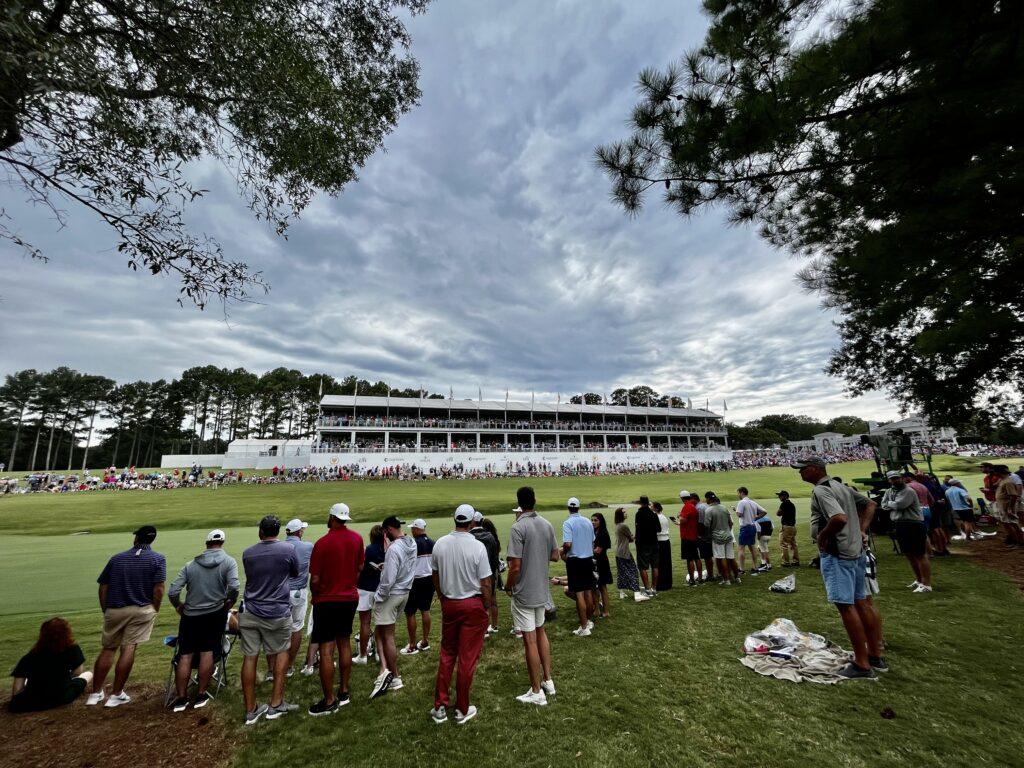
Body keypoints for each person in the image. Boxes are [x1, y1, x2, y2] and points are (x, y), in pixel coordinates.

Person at [793, 456, 885, 678]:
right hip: (855, 551)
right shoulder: (839, 486)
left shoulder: (822, 490)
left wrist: (823, 536)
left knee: (845, 606)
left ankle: (862, 664)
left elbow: (839, 518)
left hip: (838, 553)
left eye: (803, 469)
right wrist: (862, 530)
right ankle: (875, 655)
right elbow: (870, 504)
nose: (800, 473)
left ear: (815, 469)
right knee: (862, 601)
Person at [87, 525, 166, 707]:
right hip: (141, 609)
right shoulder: (158, 559)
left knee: (108, 648)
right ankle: (116, 695)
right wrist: (156, 608)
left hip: (114, 609)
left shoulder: (117, 558)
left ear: (136, 538)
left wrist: (105, 609)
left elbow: (103, 586)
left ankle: (95, 694)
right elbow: (159, 588)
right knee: (129, 647)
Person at [429, 504, 493, 725]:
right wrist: (486, 605)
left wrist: (442, 596)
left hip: (450, 603)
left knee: (448, 653)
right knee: (467, 658)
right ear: (472, 522)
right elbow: (485, 582)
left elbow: (435, 576)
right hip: (472, 603)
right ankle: (462, 708)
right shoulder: (477, 547)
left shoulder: (440, 544)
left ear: (454, 519)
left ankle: (440, 705)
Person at [167, 529, 239, 712]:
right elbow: (234, 587)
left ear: (206, 544)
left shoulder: (191, 564)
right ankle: (200, 694)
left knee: (185, 655)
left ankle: (182, 698)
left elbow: (173, 591)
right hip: (214, 615)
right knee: (207, 652)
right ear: (222, 543)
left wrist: (179, 606)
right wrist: (229, 603)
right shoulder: (229, 562)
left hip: (190, 615)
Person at [239, 515, 300, 725]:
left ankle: (251, 709)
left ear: (261, 532)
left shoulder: (248, 553)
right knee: (282, 651)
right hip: (277, 611)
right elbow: (295, 572)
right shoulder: (288, 550)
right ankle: (275, 703)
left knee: (250, 657)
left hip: (251, 610)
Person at [307, 503, 364, 716]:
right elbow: (359, 568)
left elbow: (315, 578)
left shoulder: (322, 543)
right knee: (345, 642)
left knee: (326, 648)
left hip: (327, 600)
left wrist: (317, 592)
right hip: (349, 598)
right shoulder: (357, 539)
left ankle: (330, 700)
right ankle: (344, 689)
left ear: (332, 518)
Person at [506, 486, 559, 706]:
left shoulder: (518, 527)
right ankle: (548, 680)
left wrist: (509, 586)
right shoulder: (546, 524)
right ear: (534, 500)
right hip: (541, 590)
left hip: (525, 591)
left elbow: (515, 566)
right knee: (540, 633)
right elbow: (555, 555)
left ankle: (537, 691)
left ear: (519, 503)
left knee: (530, 640)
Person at [370, 515, 417, 699]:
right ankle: (385, 669)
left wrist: (378, 596)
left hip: (391, 595)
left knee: (386, 634)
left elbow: (388, 580)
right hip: (404, 591)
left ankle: (394, 676)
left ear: (389, 529)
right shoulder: (410, 543)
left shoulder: (393, 548)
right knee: (383, 632)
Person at [9, 618, 92, 712]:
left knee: (28, 681)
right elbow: (78, 673)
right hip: (61, 697)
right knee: (88, 674)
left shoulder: (29, 657)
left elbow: (16, 691)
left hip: (31, 702)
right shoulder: (73, 649)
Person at [881, 471, 932, 592]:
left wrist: (889, 504)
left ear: (902, 478)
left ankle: (926, 584)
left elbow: (900, 505)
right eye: (892, 479)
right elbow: (883, 505)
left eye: (897, 478)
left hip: (913, 523)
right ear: (889, 480)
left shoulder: (908, 491)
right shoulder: (889, 491)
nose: (895, 480)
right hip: (900, 524)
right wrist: (890, 504)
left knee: (919, 554)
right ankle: (919, 580)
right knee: (909, 554)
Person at [279, 519, 313, 678]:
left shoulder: (278, 546)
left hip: (280, 593)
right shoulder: (307, 546)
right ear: (299, 532)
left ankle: (275, 667)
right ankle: (289, 665)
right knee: (296, 627)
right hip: (298, 593)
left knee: (279, 629)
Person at [561, 496, 596, 636]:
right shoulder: (588, 521)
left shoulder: (568, 523)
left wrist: (562, 551)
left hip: (575, 561)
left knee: (579, 594)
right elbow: (592, 542)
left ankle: (583, 627)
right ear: (578, 507)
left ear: (569, 508)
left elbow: (568, 544)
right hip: (588, 559)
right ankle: (588, 621)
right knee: (588, 592)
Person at [401, 519, 435, 656]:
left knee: (410, 612)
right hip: (429, 579)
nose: (411, 531)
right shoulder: (433, 543)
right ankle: (425, 641)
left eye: (412, 529)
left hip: (415, 581)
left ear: (416, 529)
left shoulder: (413, 543)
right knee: (425, 610)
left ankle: (413, 645)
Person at [353, 525, 386, 667]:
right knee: (380, 622)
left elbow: (358, 569)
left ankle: (363, 655)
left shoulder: (367, 550)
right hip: (380, 588)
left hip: (365, 588)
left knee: (365, 622)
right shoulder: (388, 549)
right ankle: (379, 653)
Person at [470, 513, 502, 634]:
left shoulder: (470, 536)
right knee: (492, 599)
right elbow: (494, 557)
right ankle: (494, 625)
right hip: (490, 573)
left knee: (479, 600)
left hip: (475, 573)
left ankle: (483, 628)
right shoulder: (490, 536)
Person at [614, 507, 648, 602]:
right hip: (624, 552)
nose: (626, 513)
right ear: (620, 514)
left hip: (618, 552)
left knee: (621, 572)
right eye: (624, 512)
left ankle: (621, 592)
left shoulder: (617, 525)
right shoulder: (623, 526)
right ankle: (637, 593)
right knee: (633, 571)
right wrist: (638, 532)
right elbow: (632, 539)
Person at [705, 494, 739, 585]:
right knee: (731, 557)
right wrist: (727, 530)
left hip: (717, 537)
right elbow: (730, 523)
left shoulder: (709, 510)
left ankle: (726, 579)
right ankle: (737, 577)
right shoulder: (724, 508)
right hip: (728, 535)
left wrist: (708, 535)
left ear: (709, 500)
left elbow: (707, 525)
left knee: (721, 557)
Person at [735, 487, 767, 574]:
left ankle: (741, 569)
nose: (737, 495)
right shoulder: (752, 502)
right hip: (753, 526)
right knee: (752, 547)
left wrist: (736, 510)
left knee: (741, 548)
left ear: (741, 493)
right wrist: (756, 517)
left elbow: (739, 514)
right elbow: (764, 511)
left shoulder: (741, 502)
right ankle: (755, 567)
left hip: (745, 527)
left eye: (738, 493)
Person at [633, 496, 660, 597]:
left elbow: (638, 529)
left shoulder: (639, 514)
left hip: (643, 543)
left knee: (642, 567)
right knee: (655, 566)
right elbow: (658, 529)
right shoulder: (653, 514)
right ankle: (654, 588)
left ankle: (648, 589)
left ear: (640, 503)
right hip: (654, 542)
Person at [994, 465, 1024, 547]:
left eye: (995, 472)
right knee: (1010, 524)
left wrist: (1010, 508)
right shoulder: (1003, 480)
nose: (994, 474)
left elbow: (1013, 496)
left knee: (1015, 525)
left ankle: (1021, 542)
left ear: (999, 472)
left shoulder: (1008, 482)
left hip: (1007, 507)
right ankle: (1015, 541)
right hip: (1004, 507)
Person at [591, 513, 613, 617]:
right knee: (594, 587)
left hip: (602, 563)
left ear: (601, 521)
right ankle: (596, 610)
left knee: (602, 587)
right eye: (592, 520)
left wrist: (586, 549)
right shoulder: (594, 532)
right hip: (594, 562)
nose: (593, 522)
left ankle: (606, 611)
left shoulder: (603, 533)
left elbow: (598, 551)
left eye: (596, 520)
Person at [677, 491, 701, 586]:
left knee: (689, 558)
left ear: (682, 498)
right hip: (694, 535)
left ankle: (692, 579)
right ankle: (699, 577)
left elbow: (684, 519)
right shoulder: (693, 506)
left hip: (687, 536)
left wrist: (680, 516)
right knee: (696, 557)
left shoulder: (687, 506)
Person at [775, 491, 800, 566]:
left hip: (786, 527)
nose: (779, 497)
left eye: (780, 496)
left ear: (785, 496)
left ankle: (785, 562)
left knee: (783, 544)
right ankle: (796, 561)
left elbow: (778, 513)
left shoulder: (784, 504)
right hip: (793, 527)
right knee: (793, 544)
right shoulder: (792, 504)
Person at [653, 501, 673, 590]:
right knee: (666, 563)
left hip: (660, 541)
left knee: (659, 563)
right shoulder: (664, 516)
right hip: (666, 540)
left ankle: (661, 584)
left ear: (656, 508)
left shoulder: (656, 517)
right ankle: (667, 583)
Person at [695, 493, 715, 581]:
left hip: (704, 536)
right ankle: (711, 574)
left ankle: (710, 575)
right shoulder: (705, 505)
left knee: (707, 556)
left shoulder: (699, 508)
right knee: (709, 556)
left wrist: (701, 535)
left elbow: (701, 524)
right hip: (710, 534)